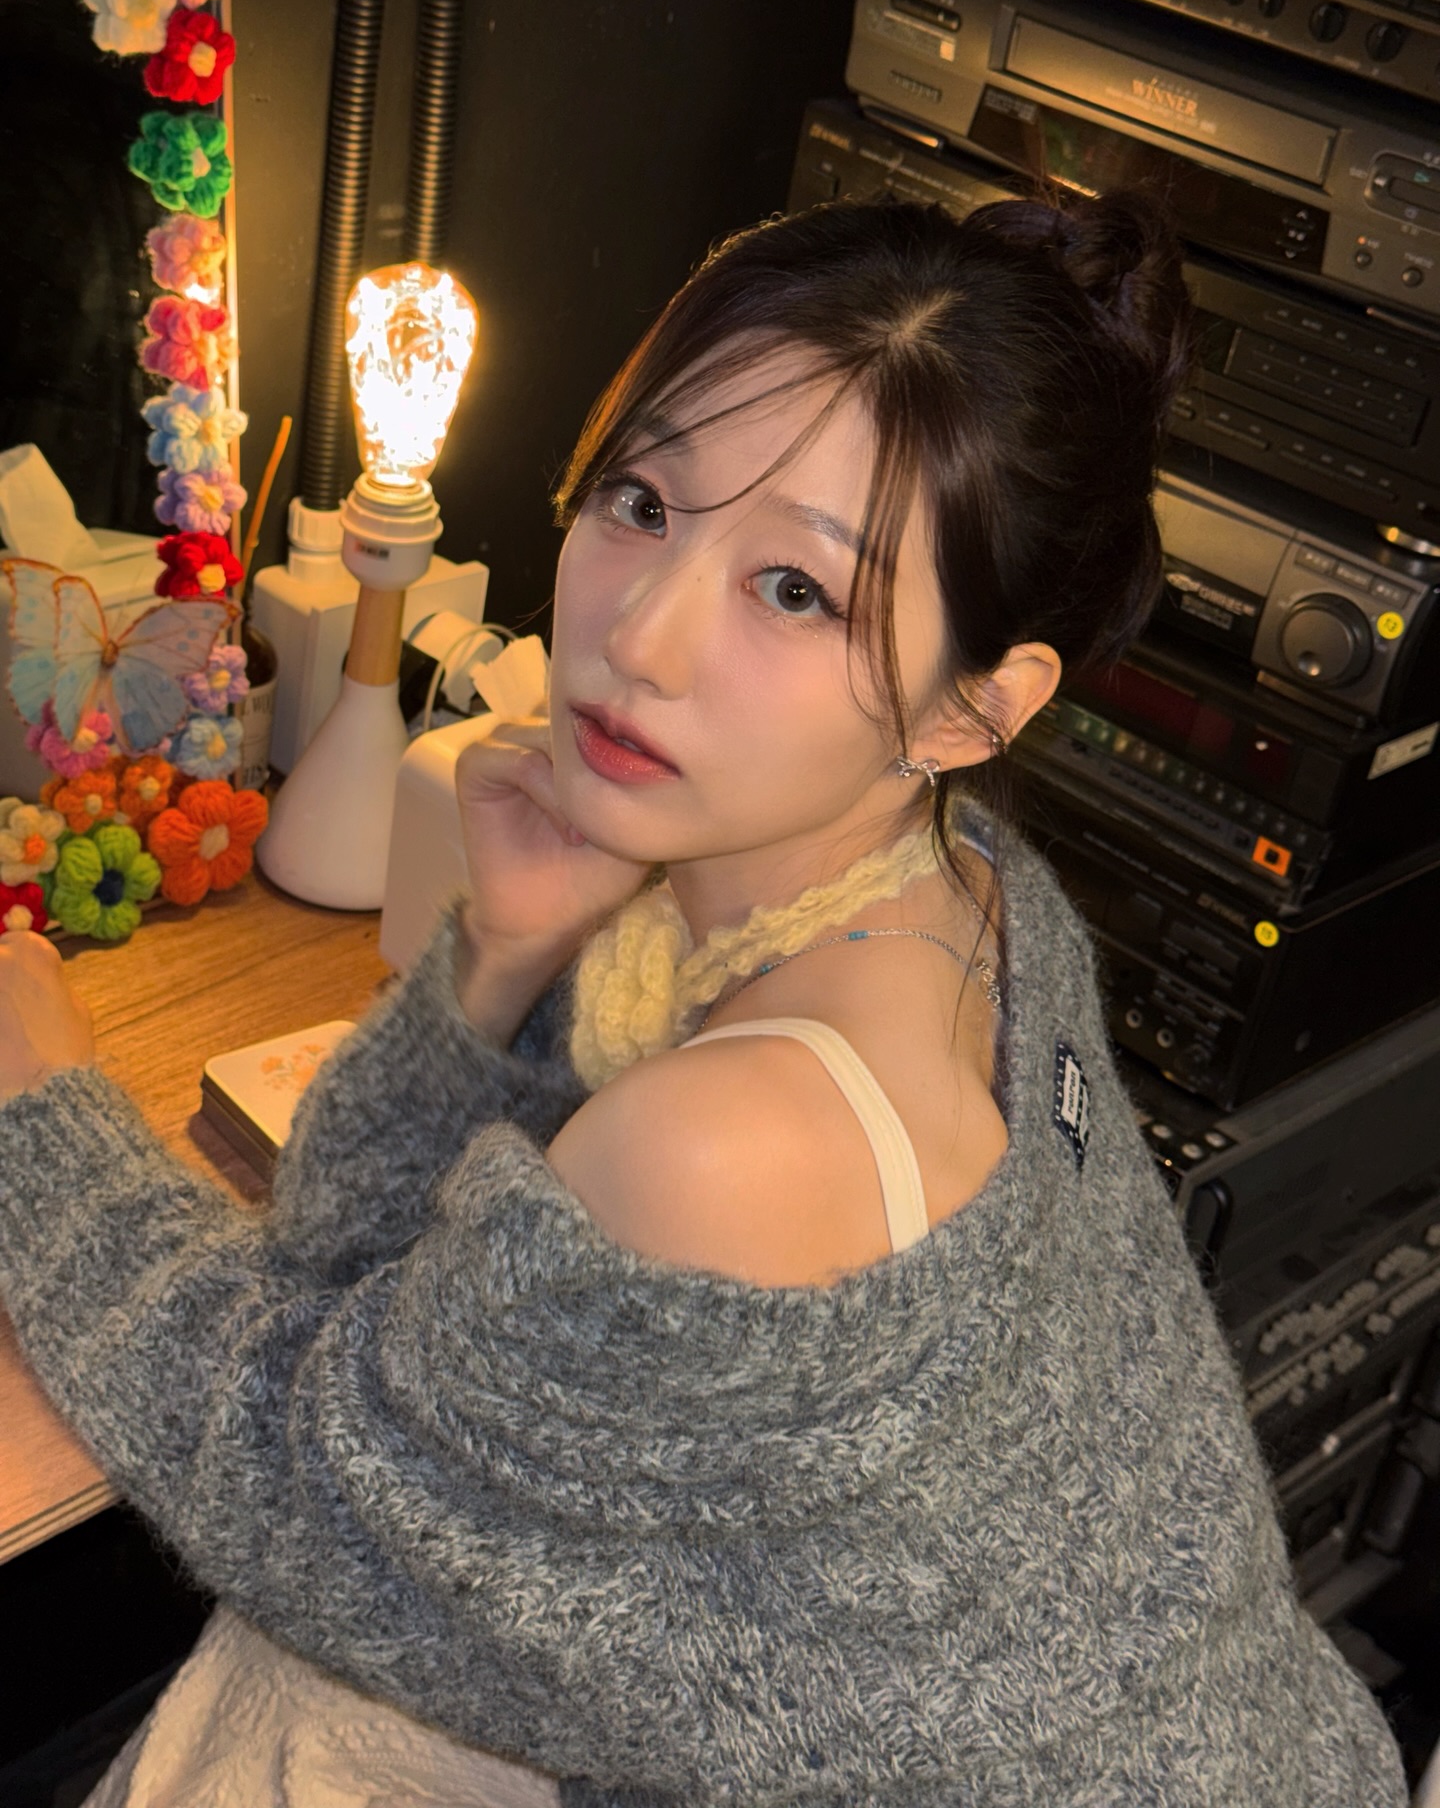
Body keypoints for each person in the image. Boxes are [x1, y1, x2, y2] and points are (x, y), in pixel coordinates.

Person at [0, 194, 1408, 1806]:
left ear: (973, 709)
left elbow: (304, 1492)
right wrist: (504, 958)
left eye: (796, 589)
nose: (640, 637)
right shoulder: (985, 903)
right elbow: (366, 1309)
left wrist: (41, 1115)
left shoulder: (729, 1141)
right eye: (643, 500)